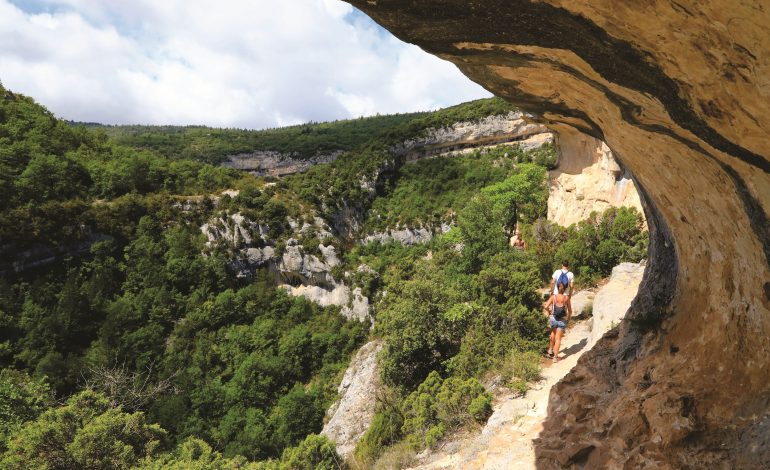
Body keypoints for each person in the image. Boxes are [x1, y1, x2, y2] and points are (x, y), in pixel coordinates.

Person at [544, 283, 572, 362]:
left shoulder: (553, 297)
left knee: (553, 333)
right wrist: (568, 319)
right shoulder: (566, 298)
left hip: (554, 319)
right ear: (565, 289)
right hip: (562, 320)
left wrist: (549, 312)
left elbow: (546, 306)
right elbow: (570, 311)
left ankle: (550, 350)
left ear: (557, 288)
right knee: (558, 339)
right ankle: (555, 358)